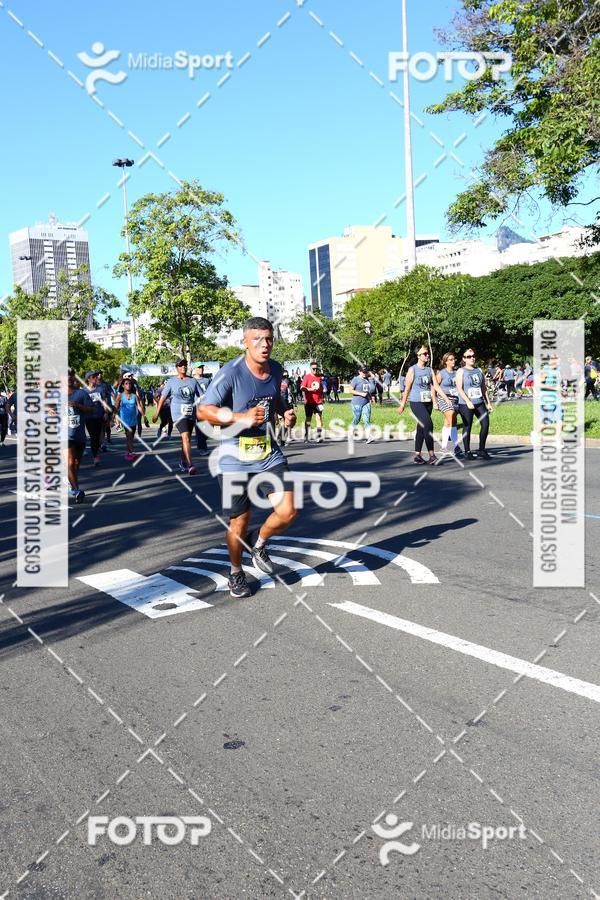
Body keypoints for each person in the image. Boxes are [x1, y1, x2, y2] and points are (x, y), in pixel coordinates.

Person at [197, 316, 297, 599]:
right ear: (245, 342)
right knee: (239, 521)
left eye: (268, 339)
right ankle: (236, 571)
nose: (264, 345)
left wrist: (284, 413)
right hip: (232, 457)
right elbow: (204, 411)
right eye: (257, 340)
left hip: (266, 452)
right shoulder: (231, 373)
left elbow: (273, 400)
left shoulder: (276, 369)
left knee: (288, 511)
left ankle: (260, 543)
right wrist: (240, 416)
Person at [153, 359, 200, 474]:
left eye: (185, 365)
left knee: (186, 438)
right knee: (186, 437)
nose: (183, 367)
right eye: (180, 365)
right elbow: (163, 398)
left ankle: (183, 462)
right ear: (177, 368)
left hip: (190, 412)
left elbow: (201, 397)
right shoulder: (171, 382)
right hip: (178, 413)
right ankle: (190, 465)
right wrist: (157, 413)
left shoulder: (193, 381)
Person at [398, 346, 441, 465]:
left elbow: (433, 387)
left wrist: (436, 401)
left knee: (421, 428)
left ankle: (417, 455)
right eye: (425, 354)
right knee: (428, 424)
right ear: (418, 356)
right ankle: (432, 455)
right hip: (416, 402)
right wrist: (402, 404)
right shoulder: (413, 370)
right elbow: (407, 389)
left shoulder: (429, 370)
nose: (427, 355)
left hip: (428, 403)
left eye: (428, 354)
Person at [456, 349, 492, 460]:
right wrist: (467, 401)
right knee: (468, 426)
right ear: (464, 359)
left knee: (485, 424)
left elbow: (483, 387)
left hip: (479, 402)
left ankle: (482, 449)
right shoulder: (461, 371)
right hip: (465, 404)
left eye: (473, 356)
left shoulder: (479, 370)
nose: (471, 358)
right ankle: (467, 451)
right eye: (468, 356)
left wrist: (488, 403)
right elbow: (459, 389)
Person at [67, 370, 92, 501]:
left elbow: (91, 409)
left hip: (79, 434)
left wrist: (78, 405)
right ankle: (77, 490)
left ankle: (71, 483)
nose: (68, 378)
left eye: (70, 376)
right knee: (70, 462)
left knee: (76, 464)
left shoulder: (81, 393)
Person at [435, 352, 463, 458]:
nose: (453, 361)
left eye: (454, 359)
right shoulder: (441, 373)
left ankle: (443, 447)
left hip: (455, 400)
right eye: (450, 359)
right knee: (451, 415)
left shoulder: (457, 373)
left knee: (450, 422)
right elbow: (435, 386)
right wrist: (435, 401)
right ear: (445, 361)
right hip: (444, 399)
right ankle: (456, 446)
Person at [114, 376, 144, 461]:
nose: (128, 385)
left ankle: (127, 453)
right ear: (123, 385)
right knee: (129, 436)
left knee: (130, 438)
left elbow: (139, 406)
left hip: (133, 420)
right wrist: (115, 419)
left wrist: (144, 416)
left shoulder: (134, 396)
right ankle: (132, 452)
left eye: (130, 383)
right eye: (126, 383)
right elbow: (116, 408)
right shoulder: (120, 396)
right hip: (124, 420)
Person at [84, 371, 106, 466]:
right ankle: (95, 456)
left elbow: (104, 402)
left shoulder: (100, 389)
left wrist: (106, 412)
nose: (95, 378)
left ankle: (96, 453)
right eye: (93, 377)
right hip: (89, 417)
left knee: (97, 437)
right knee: (93, 437)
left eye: (95, 376)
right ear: (88, 379)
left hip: (99, 415)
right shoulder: (84, 391)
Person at [350, 364, 375, 443]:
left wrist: (371, 398)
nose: (365, 373)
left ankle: (369, 436)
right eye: (363, 372)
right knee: (356, 419)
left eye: (366, 372)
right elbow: (350, 390)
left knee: (366, 419)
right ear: (359, 371)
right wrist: (360, 394)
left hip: (366, 402)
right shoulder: (355, 379)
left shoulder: (368, 379)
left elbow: (370, 390)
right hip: (356, 403)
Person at [301, 361, 324, 442]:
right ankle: (306, 436)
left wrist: (322, 397)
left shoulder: (319, 377)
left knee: (319, 418)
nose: (315, 370)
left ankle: (319, 436)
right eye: (313, 368)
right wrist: (310, 389)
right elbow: (302, 388)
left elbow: (321, 389)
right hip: (309, 401)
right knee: (308, 419)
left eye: (316, 368)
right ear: (310, 368)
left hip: (318, 402)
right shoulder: (307, 377)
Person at [192, 365, 210, 456]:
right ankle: (202, 448)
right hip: (197, 408)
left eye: (202, 367)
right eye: (198, 368)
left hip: (207, 406)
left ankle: (200, 440)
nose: (201, 369)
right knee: (199, 428)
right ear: (194, 369)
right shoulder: (191, 381)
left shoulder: (207, 380)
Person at [277, 369, 294, 445]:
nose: (286, 378)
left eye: (287, 376)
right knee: (282, 421)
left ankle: (282, 438)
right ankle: (280, 438)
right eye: (284, 376)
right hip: (280, 403)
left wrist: (294, 403)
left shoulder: (289, 382)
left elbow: (291, 394)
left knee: (288, 421)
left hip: (288, 403)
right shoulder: (278, 382)